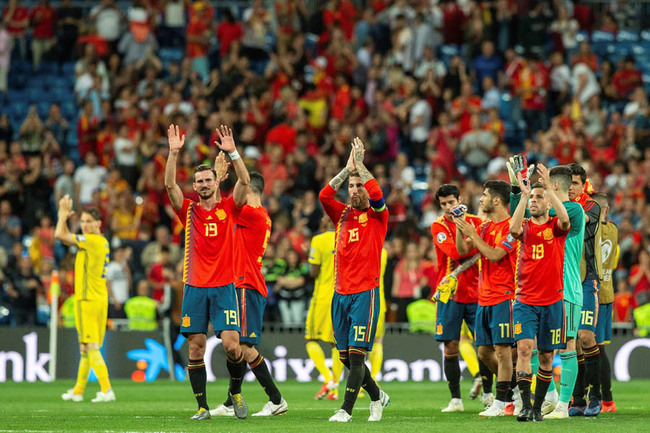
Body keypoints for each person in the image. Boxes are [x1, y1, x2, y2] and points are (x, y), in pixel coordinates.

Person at [165, 124, 250, 420]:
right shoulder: (188, 211)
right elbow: (169, 187)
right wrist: (173, 153)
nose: (202, 184)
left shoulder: (230, 208)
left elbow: (245, 181)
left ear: (216, 182)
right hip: (195, 287)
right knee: (196, 347)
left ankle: (235, 392)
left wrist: (233, 152)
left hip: (224, 286)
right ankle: (202, 406)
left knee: (231, 344)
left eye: (207, 180)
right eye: (198, 181)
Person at [319, 137, 390, 422]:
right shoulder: (342, 214)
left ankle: (345, 410)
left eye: (359, 186)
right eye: (352, 186)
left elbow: (378, 194)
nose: (356, 190)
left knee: (358, 356)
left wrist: (360, 166)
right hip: (340, 293)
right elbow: (324, 196)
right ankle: (377, 396)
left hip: (365, 293)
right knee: (345, 357)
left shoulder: (377, 216)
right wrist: (347, 171)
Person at [210, 171, 288, 417]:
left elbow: (221, 207)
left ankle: (276, 399)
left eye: (240, 191)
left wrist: (219, 178)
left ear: (249, 190)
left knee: (244, 345)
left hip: (247, 285)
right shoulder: (258, 217)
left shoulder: (253, 214)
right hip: (242, 284)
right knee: (239, 346)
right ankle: (231, 402)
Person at [509, 165, 571, 422]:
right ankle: (525, 405)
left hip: (553, 301)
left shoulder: (556, 227)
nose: (534, 201)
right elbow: (512, 231)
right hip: (525, 300)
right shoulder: (525, 227)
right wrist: (523, 195)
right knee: (524, 350)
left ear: (548, 203)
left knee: (547, 355)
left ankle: (537, 408)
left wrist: (548, 188)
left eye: (538, 197)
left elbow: (566, 220)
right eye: (532, 198)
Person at [455, 180, 516, 417]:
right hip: (484, 298)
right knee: (483, 352)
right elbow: (463, 250)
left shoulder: (512, 228)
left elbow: (493, 255)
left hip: (504, 296)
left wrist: (472, 232)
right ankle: (511, 392)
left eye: (484, 195)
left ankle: (501, 402)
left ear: (497, 200)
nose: (480, 199)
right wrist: (461, 228)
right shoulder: (485, 227)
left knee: (502, 351)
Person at [55, 196, 115, 403]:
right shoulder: (102, 241)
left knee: (90, 346)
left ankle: (107, 390)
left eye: (89, 221)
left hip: (87, 300)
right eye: (82, 221)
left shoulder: (90, 241)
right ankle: (79, 390)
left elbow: (59, 234)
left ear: (99, 223)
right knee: (85, 347)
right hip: (99, 299)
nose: (85, 225)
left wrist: (62, 213)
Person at [430, 184, 484, 412]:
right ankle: (455, 400)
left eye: (451, 202)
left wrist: (479, 246)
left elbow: (486, 248)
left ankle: (489, 394)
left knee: (485, 346)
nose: (449, 207)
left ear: (459, 199)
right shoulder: (438, 226)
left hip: (476, 291)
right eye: (444, 204)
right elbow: (455, 253)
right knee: (451, 346)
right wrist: (477, 245)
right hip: (449, 292)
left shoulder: (478, 222)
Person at [567, 163, 603, 417]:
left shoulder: (591, 205)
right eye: (567, 184)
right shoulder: (554, 205)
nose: (570, 189)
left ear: (583, 185)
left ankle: (596, 395)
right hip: (564, 281)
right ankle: (577, 398)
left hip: (586, 279)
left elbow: (577, 219)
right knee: (572, 343)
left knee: (586, 337)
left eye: (575, 184)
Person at [305, 216, 343, 401]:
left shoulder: (318, 240)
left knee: (310, 339)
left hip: (322, 297)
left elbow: (313, 271)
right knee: (335, 343)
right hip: (342, 295)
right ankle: (334, 390)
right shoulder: (345, 237)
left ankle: (328, 379)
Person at [591, 192, 619, 413]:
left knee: (593, 349)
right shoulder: (614, 229)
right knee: (598, 348)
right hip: (608, 293)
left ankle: (605, 399)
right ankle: (606, 400)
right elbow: (615, 258)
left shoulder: (593, 230)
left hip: (595, 295)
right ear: (607, 210)